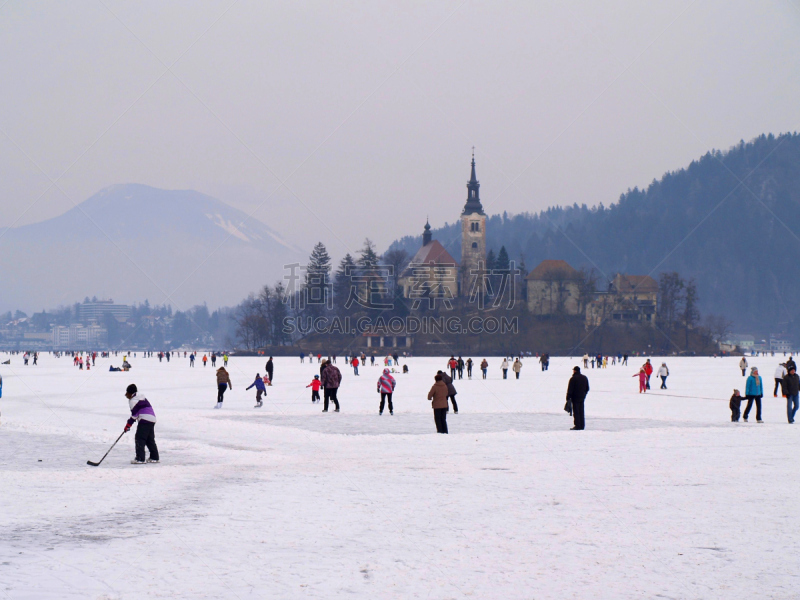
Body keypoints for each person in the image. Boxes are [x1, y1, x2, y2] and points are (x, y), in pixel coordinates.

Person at [124, 383, 159, 464]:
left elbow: (134, 415)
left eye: (127, 393)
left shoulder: (133, 401)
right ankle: (154, 457)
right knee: (149, 439)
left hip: (145, 420)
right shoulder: (141, 397)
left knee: (139, 438)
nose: (125, 394)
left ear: (131, 393)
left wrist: (128, 425)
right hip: (152, 419)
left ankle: (140, 458)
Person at [565, 366, 590, 430]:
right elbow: (587, 388)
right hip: (582, 397)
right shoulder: (584, 378)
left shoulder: (573, 379)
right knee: (581, 411)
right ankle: (582, 425)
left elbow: (570, 389)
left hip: (575, 397)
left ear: (574, 371)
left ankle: (577, 425)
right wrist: (584, 394)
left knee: (576, 412)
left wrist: (568, 398)